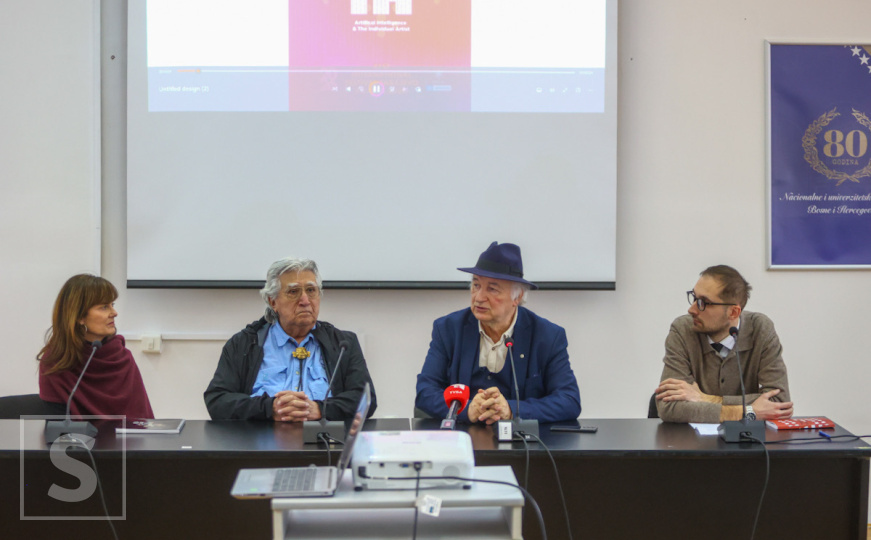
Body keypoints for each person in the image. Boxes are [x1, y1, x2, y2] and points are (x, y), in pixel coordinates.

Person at [415, 242, 581, 424]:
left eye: (492, 289)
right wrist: (467, 409)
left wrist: (511, 409)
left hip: (519, 440)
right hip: (462, 435)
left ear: (517, 297)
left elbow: (569, 400)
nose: (479, 297)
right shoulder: (448, 329)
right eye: (476, 285)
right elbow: (425, 392)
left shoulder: (547, 336)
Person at [204, 257, 377, 421]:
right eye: (294, 292)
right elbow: (217, 400)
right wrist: (270, 408)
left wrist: (320, 409)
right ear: (273, 302)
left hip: (324, 440)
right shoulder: (244, 344)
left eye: (311, 290)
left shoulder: (342, 343)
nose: (305, 300)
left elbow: (365, 399)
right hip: (261, 439)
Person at [655, 265, 793, 423]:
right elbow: (669, 407)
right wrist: (747, 411)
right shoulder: (682, 330)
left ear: (733, 312)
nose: (691, 309)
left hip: (748, 438)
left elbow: (779, 403)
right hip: (691, 438)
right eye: (694, 298)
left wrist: (704, 398)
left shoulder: (760, 329)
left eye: (703, 302)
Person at [38, 274, 154, 419]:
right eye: (104, 307)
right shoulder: (56, 362)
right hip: (79, 435)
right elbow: (58, 426)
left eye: (112, 305)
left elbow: (141, 420)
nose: (114, 313)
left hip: (126, 435)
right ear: (79, 316)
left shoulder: (120, 356)